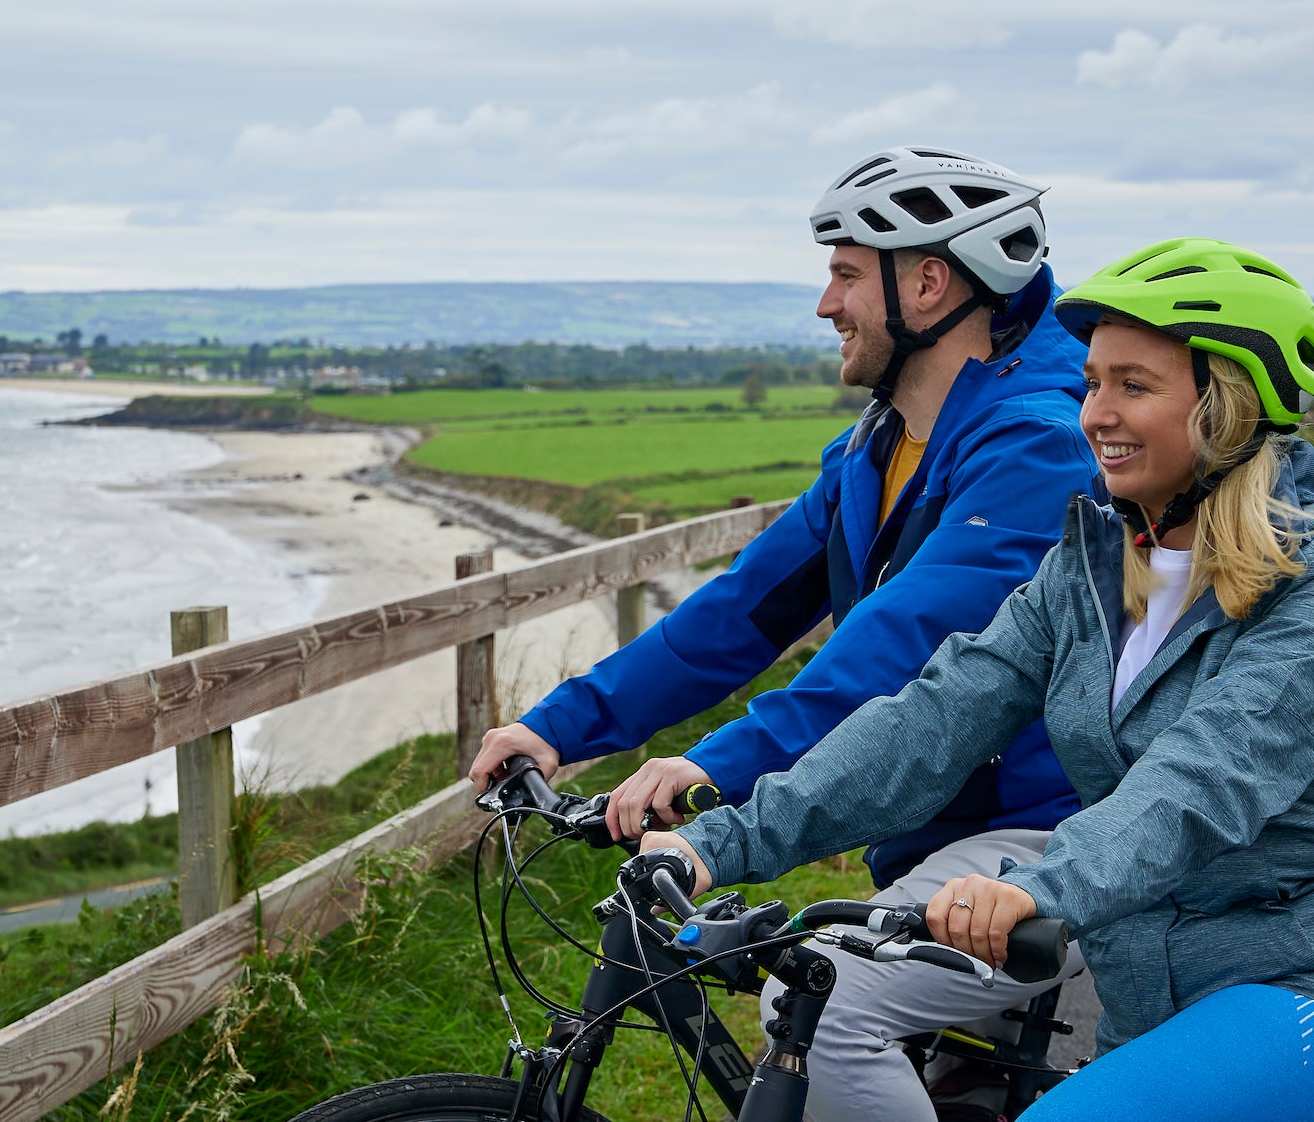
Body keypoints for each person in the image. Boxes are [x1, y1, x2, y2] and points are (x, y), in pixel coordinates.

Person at [645, 238, 1314, 1122]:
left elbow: (1206, 779)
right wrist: (724, 840)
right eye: (1094, 381)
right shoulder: (1093, 561)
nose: (1094, 412)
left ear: (1228, 407)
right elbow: (933, 717)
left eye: (1134, 386)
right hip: (1152, 1011)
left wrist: (1036, 885)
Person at [469, 147, 1106, 1120]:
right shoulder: (879, 446)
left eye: (846, 274)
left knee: (821, 1006)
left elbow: (896, 649)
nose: (824, 304)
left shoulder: (1035, 447)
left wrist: (713, 769)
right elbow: (734, 617)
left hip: (1041, 835)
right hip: (937, 840)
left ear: (928, 282)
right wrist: (560, 726)